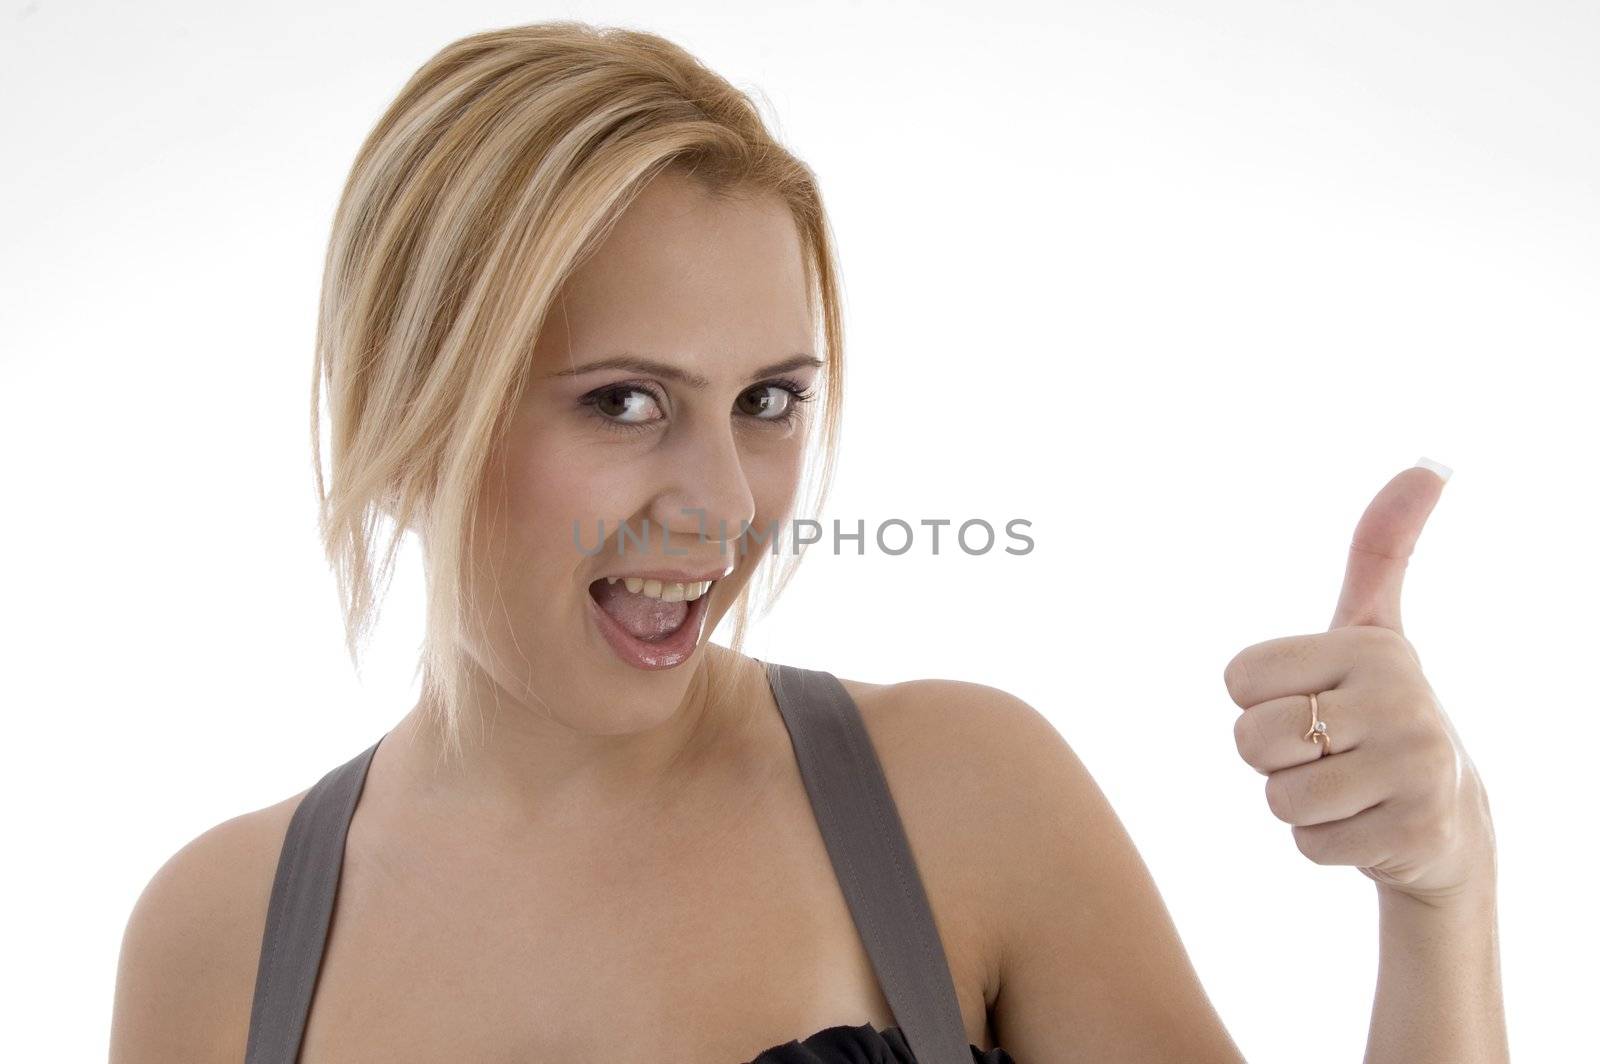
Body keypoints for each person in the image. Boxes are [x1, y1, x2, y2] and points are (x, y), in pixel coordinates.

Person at [108, 21, 1507, 1064]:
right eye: (625, 401)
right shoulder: (212, 944)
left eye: (768, 400)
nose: (722, 504)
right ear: (409, 407)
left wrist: (1442, 888)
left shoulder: (959, 800)